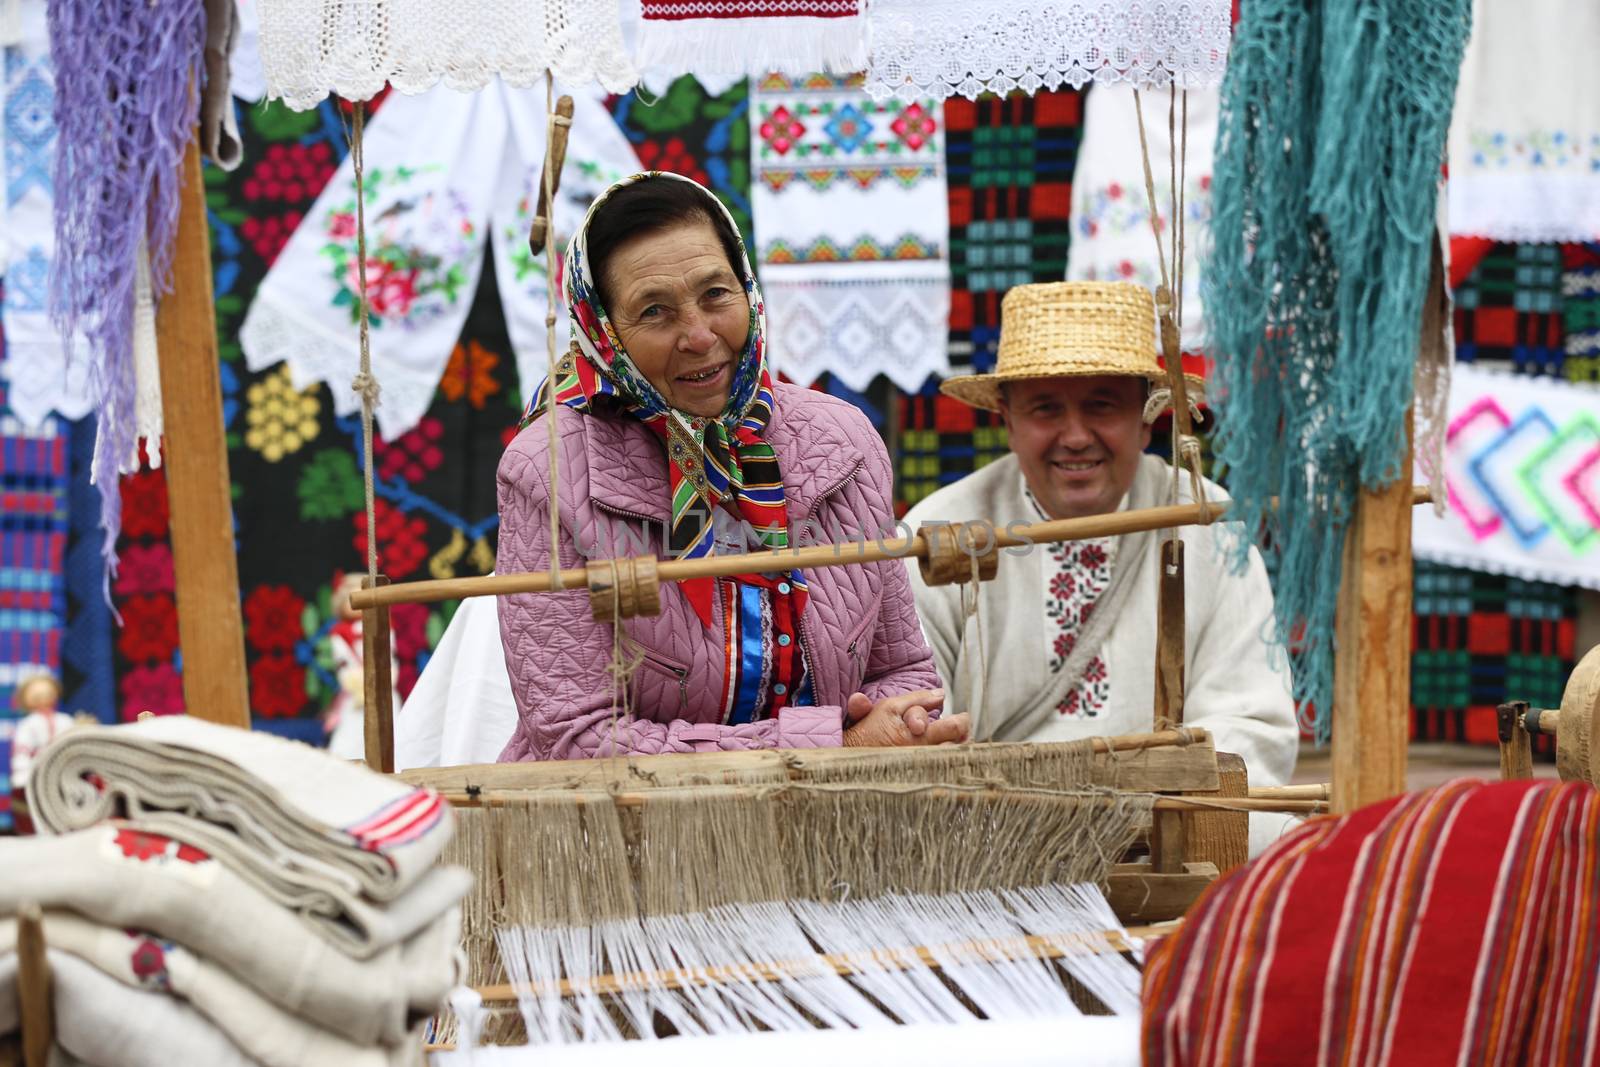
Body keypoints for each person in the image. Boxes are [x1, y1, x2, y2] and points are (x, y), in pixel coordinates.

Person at [495, 172, 964, 760]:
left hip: (835, 816)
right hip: (629, 831)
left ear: (747, 287)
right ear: (605, 331)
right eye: (655, 312)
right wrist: (826, 743)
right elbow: (574, 736)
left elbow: (903, 668)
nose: (698, 335)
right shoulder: (550, 470)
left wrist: (898, 722)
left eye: (716, 294)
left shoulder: (843, 440)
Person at [903, 281, 1297, 845]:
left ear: (1145, 419)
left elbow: (1251, 723)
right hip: (999, 827)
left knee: (1275, 837)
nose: (1076, 436)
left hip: (1166, 822)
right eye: (1046, 409)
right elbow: (918, 725)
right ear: (1008, 421)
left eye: (1102, 406)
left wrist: (1145, 807)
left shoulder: (1210, 523)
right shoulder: (939, 531)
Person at [322, 572, 399, 761]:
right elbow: (343, 662)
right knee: (350, 734)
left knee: (389, 731)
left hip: (383, 688)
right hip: (356, 694)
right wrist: (354, 681)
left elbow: (389, 655)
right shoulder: (339, 634)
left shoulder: (384, 627)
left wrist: (387, 676)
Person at [9, 672, 79, 834]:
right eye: (36, 695)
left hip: (64, 770)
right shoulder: (28, 725)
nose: (43, 699)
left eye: (47, 694)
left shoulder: (64, 720)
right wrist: (22, 773)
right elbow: (22, 750)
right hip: (37, 773)